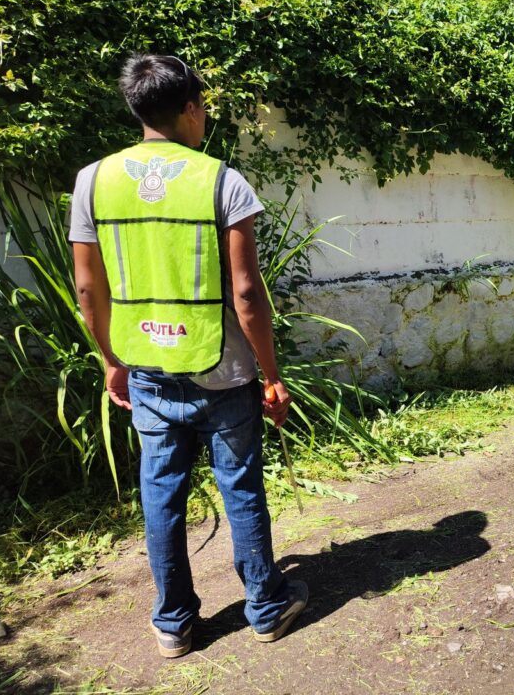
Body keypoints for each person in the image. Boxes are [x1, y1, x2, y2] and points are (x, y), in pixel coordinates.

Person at [70, 54, 307, 658]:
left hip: (146, 366)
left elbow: (88, 289)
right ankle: (266, 608)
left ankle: (174, 624)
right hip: (222, 370)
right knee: (241, 488)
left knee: (161, 494)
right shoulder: (222, 181)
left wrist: (112, 359)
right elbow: (247, 293)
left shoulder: (93, 181)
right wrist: (271, 376)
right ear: (191, 108)